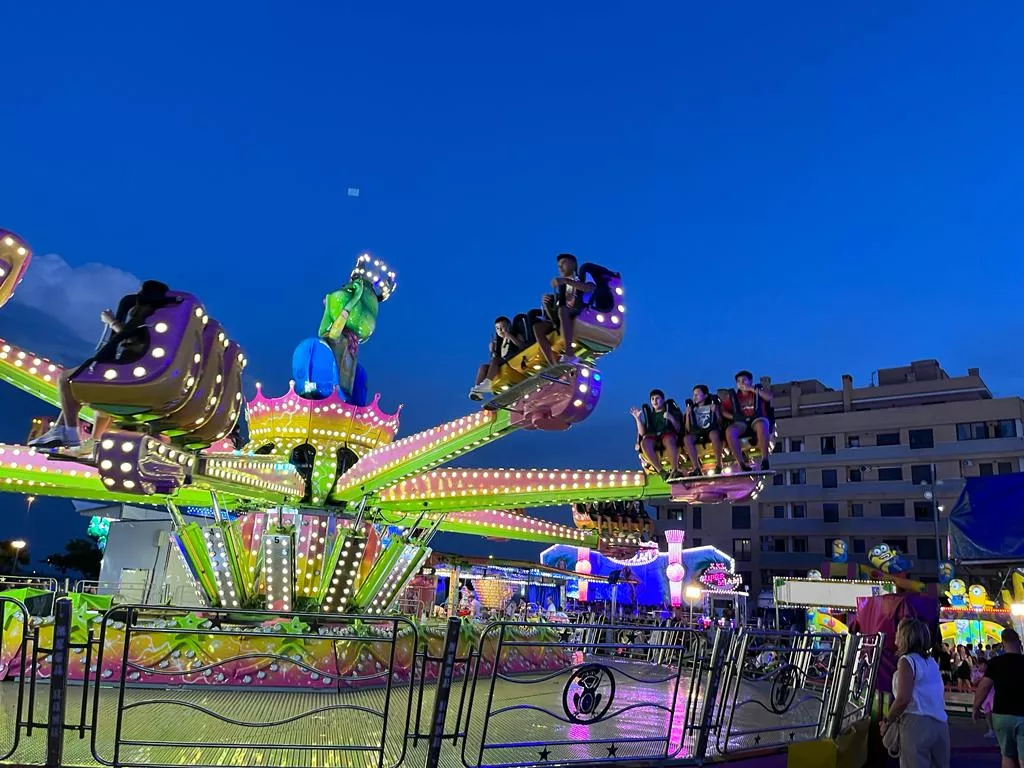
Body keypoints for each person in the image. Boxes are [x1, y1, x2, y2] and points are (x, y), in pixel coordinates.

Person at [30, 281, 172, 450]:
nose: (136, 293)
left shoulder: (149, 314)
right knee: (78, 387)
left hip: (128, 371)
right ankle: (76, 436)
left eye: (140, 290)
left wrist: (111, 321)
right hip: (135, 372)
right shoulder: (162, 316)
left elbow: (134, 338)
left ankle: (70, 432)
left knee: (66, 378)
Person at [880, 617, 949, 768]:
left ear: (905, 636)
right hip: (940, 723)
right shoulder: (930, 662)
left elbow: (903, 699)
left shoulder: (907, 661)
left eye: (898, 632)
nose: (895, 635)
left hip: (916, 724)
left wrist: (887, 720)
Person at [533, 253, 596, 367]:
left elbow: (590, 288)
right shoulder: (561, 288)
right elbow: (554, 318)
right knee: (537, 327)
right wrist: (546, 304)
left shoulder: (582, 277)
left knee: (563, 310)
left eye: (563, 263)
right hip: (561, 317)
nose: (560, 267)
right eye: (558, 266)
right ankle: (553, 364)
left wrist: (567, 281)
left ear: (573, 264)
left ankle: (569, 353)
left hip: (580, 311)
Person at [974, 627, 1024, 767]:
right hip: (1022, 714)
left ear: (1002, 644)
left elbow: (984, 686)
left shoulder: (996, 663)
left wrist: (976, 707)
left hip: (1001, 714)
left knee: (1007, 755)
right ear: (1019, 643)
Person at [721, 370, 774, 472]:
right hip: (742, 422)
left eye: (744, 380)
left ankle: (765, 459)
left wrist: (751, 389)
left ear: (750, 381)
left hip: (757, 419)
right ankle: (741, 463)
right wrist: (732, 417)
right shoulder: (734, 397)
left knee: (762, 425)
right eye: (739, 381)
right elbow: (722, 409)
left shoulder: (758, 391)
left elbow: (769, 397)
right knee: (730, 431)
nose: (741, 383)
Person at [631, 389, 682, 479]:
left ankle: (675, 469)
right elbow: (642, 433)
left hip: (667, 435)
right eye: (652, 399)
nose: (655, 401)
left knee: (668, 439)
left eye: (657, 398)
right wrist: (638, 419)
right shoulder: (650, 416)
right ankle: (661, 471)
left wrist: (671, 418)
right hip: (654, 437)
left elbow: (678, 428)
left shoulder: (671, 412)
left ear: (663, 400)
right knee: (644, 442)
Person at [470, 316, 525, 400]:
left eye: (502, 327)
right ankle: (477, 390)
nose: (500, 330)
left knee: (495, 360)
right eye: (497, 328)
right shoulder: (499, 343)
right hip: (503, 363)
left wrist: (509, 336)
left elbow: (522, 346)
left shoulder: (515, 335)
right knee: (483, 367)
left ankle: (487, 383)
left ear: (509, 326)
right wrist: (492, 350)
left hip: (515, 361)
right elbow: (496, 359)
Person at [683, 385, 724, 476]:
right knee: (687, 439)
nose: (695, 397)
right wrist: (687, 415)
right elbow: (688, 428)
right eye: (694, 395)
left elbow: (720, 422)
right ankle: (696, 468)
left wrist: (716, 411)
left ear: (705, 395)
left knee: (714, 434)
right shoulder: (692, 408)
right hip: (697, 432)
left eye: (697, 394)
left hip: (710, 430)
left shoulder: (712, 406)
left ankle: (719, 464)